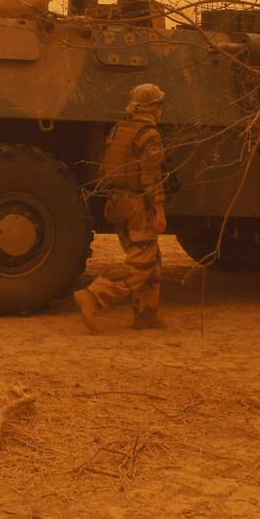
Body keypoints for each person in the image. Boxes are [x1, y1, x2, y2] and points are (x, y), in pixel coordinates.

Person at [73, 82, 168, 332]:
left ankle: (146, 315)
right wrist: (159, 209)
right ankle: (95, 295)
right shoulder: (149, 134)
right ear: (153, 106)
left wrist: (110, 198)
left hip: (118, 201)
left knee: (150, 257)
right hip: (138, 204)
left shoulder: (119, 129)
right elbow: (151, 176)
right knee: (141, 263)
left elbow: (107, 167)